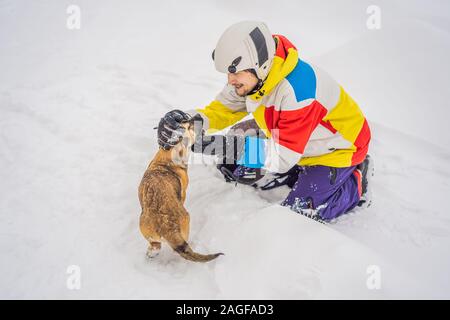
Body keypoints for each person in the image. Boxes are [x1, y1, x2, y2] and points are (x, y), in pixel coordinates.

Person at [157, 21, 373, 222]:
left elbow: (281, 157)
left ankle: (356, 181)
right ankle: (298, 174)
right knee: (231, 167)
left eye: (235, 73)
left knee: (301, 211)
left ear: (258, 64)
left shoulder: (298, 93)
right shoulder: (255, 77)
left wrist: (215, 145)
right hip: (292, 140)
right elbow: (220, 110)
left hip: (336, 150)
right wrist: (185, 124)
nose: (230, 81)